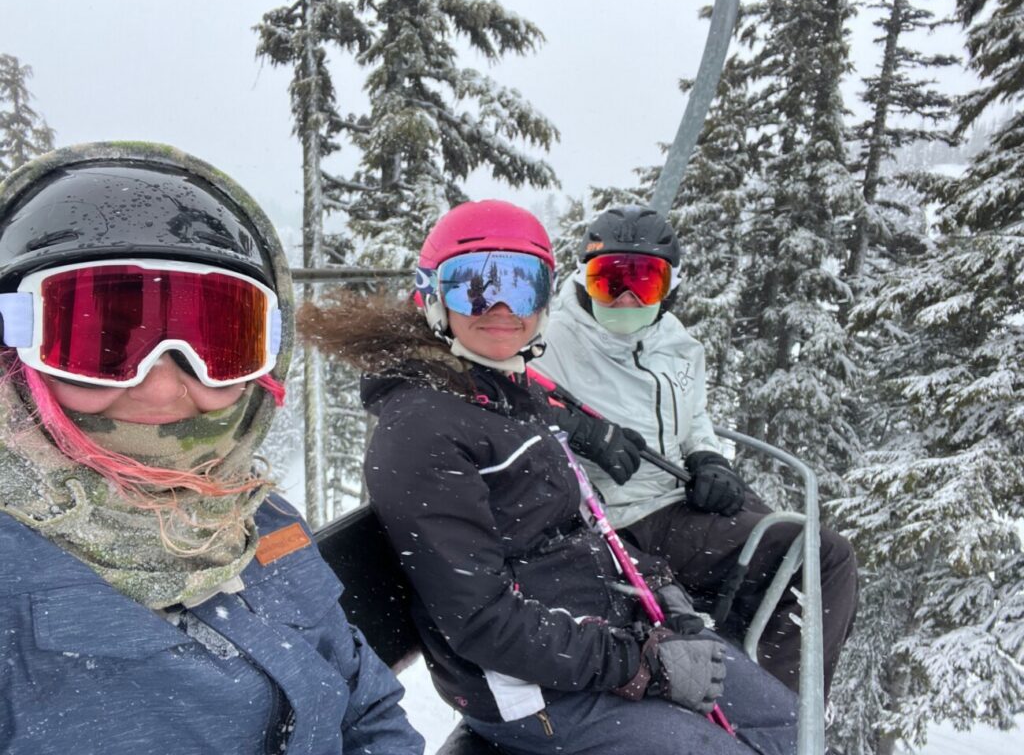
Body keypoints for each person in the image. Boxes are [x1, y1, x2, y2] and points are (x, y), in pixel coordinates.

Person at [299, 199, 799, 755]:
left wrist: (659, 588)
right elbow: (482, 621)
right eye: (473, 287)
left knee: (788, 729)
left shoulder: (505, 392)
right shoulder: (423, 429)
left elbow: (583, 526)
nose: (502, 307)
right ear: (432, 295)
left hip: (604, 631)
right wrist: (643, 664)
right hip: (530, 690)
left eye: (523, 285)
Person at [0, 143, 424, 755]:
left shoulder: (260, 519)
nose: (163, 385)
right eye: (101, 340)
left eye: (217, 342)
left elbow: (366, 706)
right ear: (14, 349)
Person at [531, 204, 859, 698]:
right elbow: (496, 399)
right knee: (820, 557)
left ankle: (767, 689)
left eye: (643, 283)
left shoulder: (677, 342)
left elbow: (694, 418)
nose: (623, 298)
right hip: (624, 520)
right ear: (582, 280)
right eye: (608, 282)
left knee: (799, 549)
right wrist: (576, 428)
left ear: (670, 288)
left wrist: (708, 457)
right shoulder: (549, 340)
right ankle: (779, 718)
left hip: (676, 493)